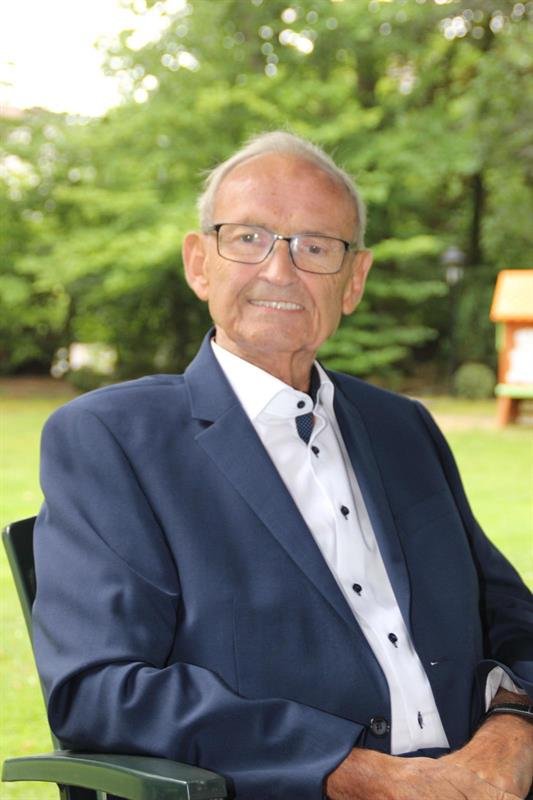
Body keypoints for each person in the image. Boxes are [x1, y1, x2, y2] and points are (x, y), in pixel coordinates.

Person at [33, 131, 533, 800]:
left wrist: (513, 730)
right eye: (248, 238)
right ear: (198, 264)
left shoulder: (402, 428)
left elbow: (512, 617)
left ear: (354, 281)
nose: (279, 270)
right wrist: (366, 776)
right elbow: (101, 690)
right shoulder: (111, 439)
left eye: (315, 247)